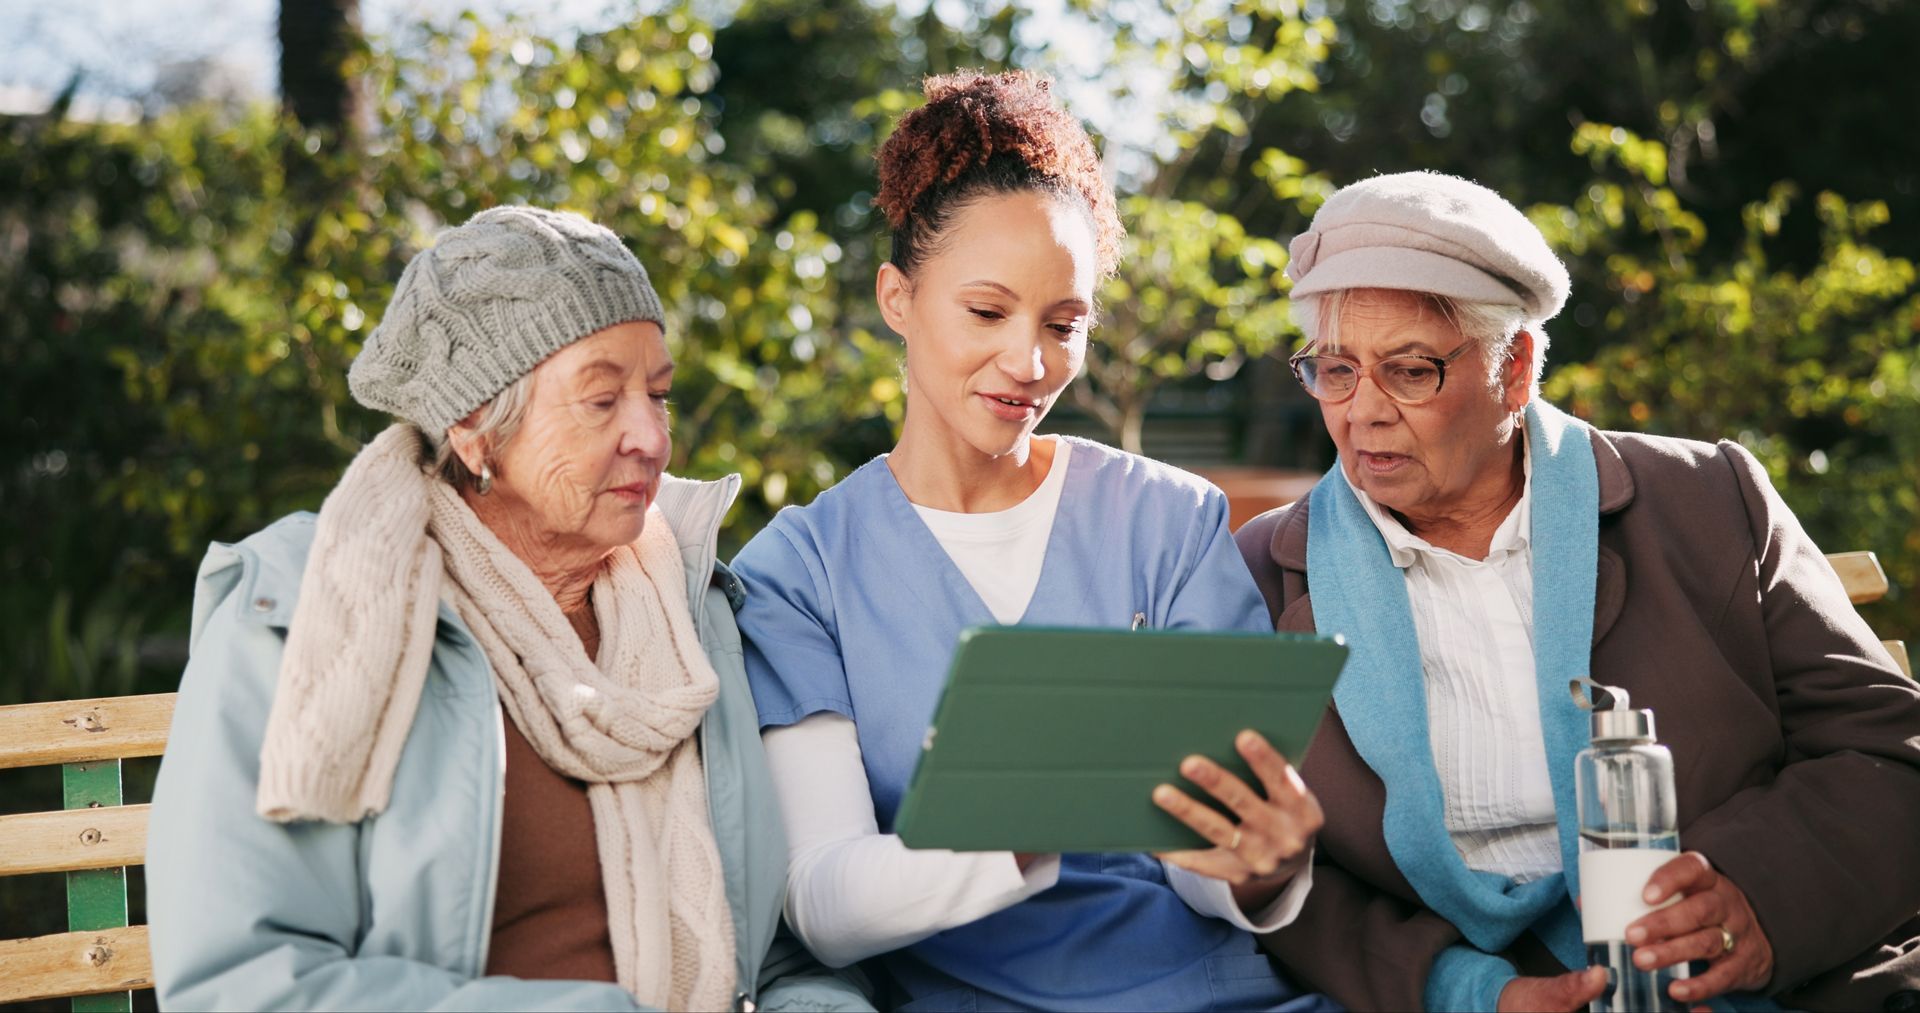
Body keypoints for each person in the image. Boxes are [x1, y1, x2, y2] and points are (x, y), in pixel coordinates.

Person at [146, 206, 870, 1012]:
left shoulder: (696, 616)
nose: (653, 438)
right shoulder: (302, 612)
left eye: (659, 394)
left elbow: (772, 958)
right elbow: (243, 983)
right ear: (475, 433)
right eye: (602, 400)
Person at [1234, 170, 1920, 1012]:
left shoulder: (1707, 497)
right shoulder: (1266, 572)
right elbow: (1289, 880)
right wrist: (1466, 991)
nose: (1360, 412)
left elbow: (1893, 751)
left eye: (1409, 372)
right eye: (1334, 370)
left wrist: (1761, 895)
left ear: (1514, 367)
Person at [728, 70, 1335, 1012]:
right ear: (899, 297)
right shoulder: (799, 572)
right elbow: (822, 900)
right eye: (986, 312)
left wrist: (1262, 864)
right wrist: (1022, 816)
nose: (1029, 362)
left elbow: (1205, 861)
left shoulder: (1170, 522)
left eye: (1065, 324)